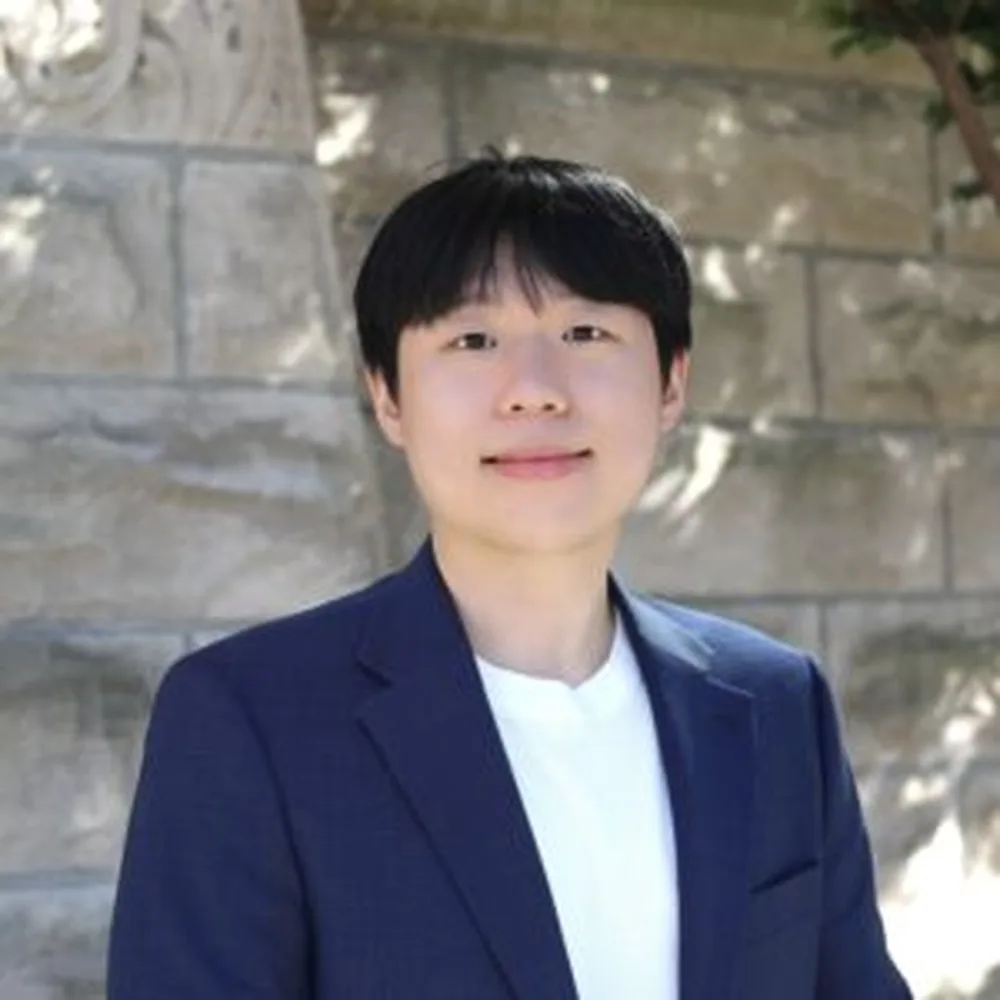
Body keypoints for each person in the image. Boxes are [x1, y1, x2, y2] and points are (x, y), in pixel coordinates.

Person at [106, 151, 912, 1000]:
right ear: (388, 396)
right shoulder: (252, 718)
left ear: (672, 381)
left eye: (585, 333)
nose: (534, 391)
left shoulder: (775, 703)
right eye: (473, 340)